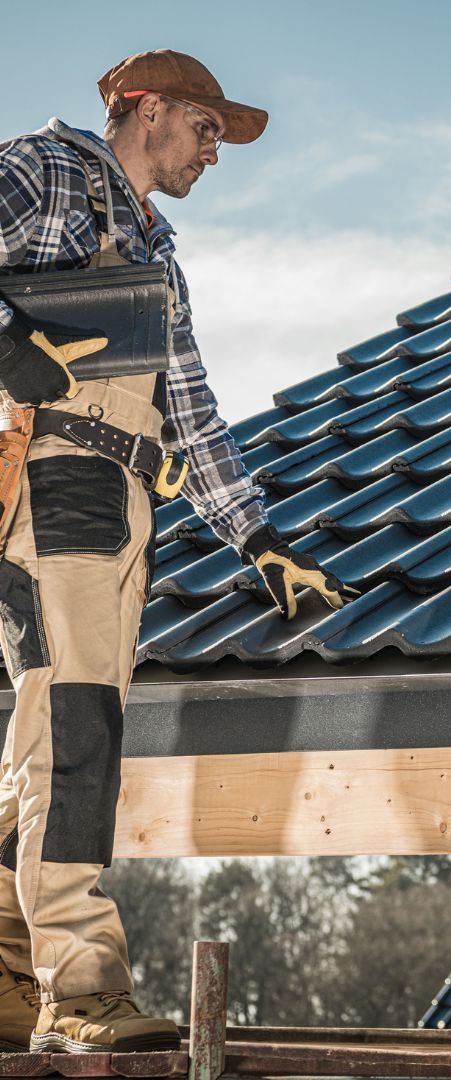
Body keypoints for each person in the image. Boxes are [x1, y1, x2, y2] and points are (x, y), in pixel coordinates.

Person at [0, 50, 356, 1053]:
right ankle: (81, 990)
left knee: (50, 733)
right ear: (145, 110)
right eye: (206, 128)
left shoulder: (158, 256)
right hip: (53, 475)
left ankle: (9, 981)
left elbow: (192, 415)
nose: (216, 151)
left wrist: (262, 540)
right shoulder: (49, 169)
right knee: (76, 727)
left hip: (122, 495)